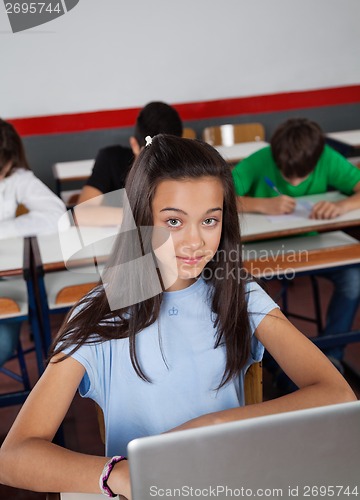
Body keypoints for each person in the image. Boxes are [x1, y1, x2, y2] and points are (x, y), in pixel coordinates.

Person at [0, 135, 355, 499]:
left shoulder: (239, 295)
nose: (194, 242)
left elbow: (338, 394)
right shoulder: (101, 315)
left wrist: (209, 426)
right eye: (173, 222)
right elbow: (14, 456)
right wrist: (122, 476)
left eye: (209, 221)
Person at [232, 117, 360, 368]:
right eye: (286, 174)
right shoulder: (260, 159)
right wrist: (260, 204)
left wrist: (340, 205)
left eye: (302, 176)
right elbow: (219, 196)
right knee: (247, 288)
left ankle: (332, 356)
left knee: (353, 278)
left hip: (314, 243)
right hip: (261, 249)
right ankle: (271, 363)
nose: (293, 183)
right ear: (276, 155)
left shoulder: (327, 157)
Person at [0, 119, 66, 371]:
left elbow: (56, 215)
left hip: (6, 284)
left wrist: (4, 230)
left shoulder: (17, 179)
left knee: (3, 345)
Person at [75, 101, 183, 226]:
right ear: (134, 145)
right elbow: (81, 213)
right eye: (149, 155)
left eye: (166, 157)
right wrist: (144, 218)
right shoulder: (112, 159)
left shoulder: (185, 167)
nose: (158, 165)